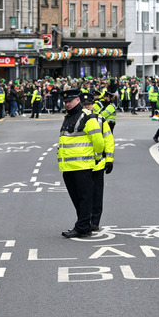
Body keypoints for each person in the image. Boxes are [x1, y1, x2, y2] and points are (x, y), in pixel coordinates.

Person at [57, 89, 104, 238]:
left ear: (78, 100)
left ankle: (83, 226)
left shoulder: (87, 117)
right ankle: (83, 223)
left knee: (85, 197)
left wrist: (97, 158)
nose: (67, 104)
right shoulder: (68, 117)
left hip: (82, 166)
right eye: (65, 102)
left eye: (70, 101)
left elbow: (98, 140)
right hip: (68, 167)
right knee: (77, 198)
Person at [81, 91, 114, 233]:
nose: (87, 107)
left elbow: (108, 139)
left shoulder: (100, 119)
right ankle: (84, 220)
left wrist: (110, 159)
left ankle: (94, 221)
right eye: (85, 105)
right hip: (82, 164)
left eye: (89, 104)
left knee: (97, 194)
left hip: (98, 163)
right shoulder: (77, 119)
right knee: (84, 195)